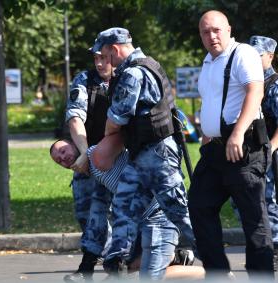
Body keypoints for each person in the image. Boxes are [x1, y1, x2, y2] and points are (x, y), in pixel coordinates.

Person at [89, 27, 197, 278]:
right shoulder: (143, 66)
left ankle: (214, 261)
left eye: (105, 54)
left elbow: (116, 119)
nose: (104, 60)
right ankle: (116, 260)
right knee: (124, 203)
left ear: (115, 49)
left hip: (157, 154)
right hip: (142, 153)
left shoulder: (134, 73)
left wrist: (108, 134)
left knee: (178, 210)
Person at [188, 10, 274, 280]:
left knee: (253, 219)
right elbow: (212, 100)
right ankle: (217, 275)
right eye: (205, 32)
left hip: (243, 148)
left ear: (228, 29)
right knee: (199, 206)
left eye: (216, 30)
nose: (211, 36)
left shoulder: (243, 53)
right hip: (215, 149)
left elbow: (255, 91)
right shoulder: (208, 61)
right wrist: (207, 133)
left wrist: (237, 133)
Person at [50, 136, 204, 280]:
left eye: (63, 151)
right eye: (59, 160)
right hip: (142, 222)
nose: (63, 158)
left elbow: (120, 135)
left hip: (159, 214)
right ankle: (177, 257)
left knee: (149, 276)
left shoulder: (97, 155)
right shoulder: (92, 173)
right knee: (119, 271)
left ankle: (216, 273)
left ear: (76, 145)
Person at [230, 35, 278, 271]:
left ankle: (273, 249)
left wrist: (270, 150)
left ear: (270, 56)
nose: (254, 60)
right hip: (247, 151)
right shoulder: (245, 83)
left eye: (258, 55)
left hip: (272, 152)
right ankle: (258, 244)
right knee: (242, 200)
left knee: (270, 200)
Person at [60, 49, 113, 282]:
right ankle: (98, 261)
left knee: (128, 213)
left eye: (105, 58)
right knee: (88, 211)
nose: (100, 64)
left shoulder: (130, 76)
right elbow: (75, 117)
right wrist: (85, 154)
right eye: (96, 58)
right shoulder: (85, 80)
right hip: (90, 156)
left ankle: (186, 254)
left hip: (124, 156)